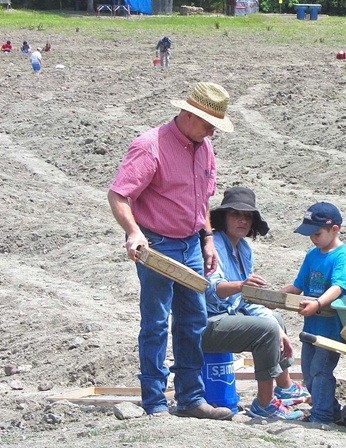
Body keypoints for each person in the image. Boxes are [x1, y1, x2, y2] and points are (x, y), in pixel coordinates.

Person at [107, 82, 235, 420]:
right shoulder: (150, 147)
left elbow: (202, 199)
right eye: (210, 124)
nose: (212, 132)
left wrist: (208, 238)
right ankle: (155, 401)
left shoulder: (204, 147)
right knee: (156, 323)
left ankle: (191, 398)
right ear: (190, 115)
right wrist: (134, 232)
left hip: (191, 242)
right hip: (157, 245)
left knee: (194, 320)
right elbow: (119, 195)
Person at [201, 187, 310, 420]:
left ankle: (285, 387)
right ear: (224, 218)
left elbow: (248, 301)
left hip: (229, 316)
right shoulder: (213, 246)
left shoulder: (244, 249)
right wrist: (241, 285)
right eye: (236, 215)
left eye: (247, 216)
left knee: (275, 320)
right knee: (267, 330)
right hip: (207, 322)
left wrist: (274, 323)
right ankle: (264, 404)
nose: (242, 220)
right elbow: (212, 292)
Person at [280, 202, 346, 424]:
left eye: (317, 233)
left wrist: (318, 304)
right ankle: (331, 410)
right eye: (310, 234)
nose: (313, 238)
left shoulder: (342, 257)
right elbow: (298, 286)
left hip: (330, 328)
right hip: (311, 327)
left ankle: (322, 416)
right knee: (309, 373)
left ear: (335, 229)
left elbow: (338, 287)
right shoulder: (312, 255)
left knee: (321, 371)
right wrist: (276, 297)